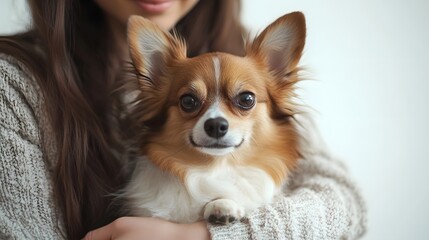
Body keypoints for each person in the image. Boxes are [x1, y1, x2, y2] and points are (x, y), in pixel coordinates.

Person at [0, 0, 366, 239]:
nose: (218, 120)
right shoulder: (12, 89)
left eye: (245, 100)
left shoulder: (241, 52)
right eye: (191, 101)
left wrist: (197, 236)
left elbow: (346, 206)